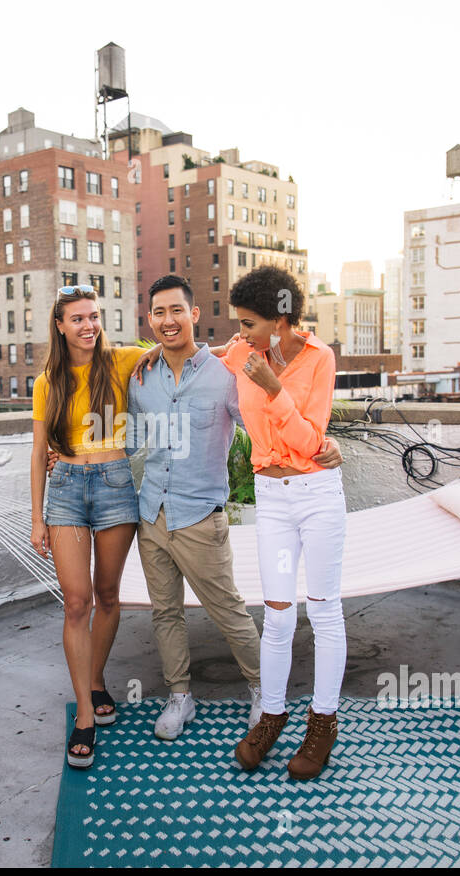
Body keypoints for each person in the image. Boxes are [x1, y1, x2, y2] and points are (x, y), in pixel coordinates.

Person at [127, 275, 343, 741]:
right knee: (164, 612)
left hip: (203, 514)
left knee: (229, 610)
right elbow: (125, 438)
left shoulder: (227, 373)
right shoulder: (142, 378)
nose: (168, 321)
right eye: (159, 313)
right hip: (152, 514)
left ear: (194, 315)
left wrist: (324, 441)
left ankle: (263, 696)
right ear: (150, 320)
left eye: (177, 311)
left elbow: (274, 423)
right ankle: (179, 695)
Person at [217, 266, 346, 780]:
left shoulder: (320, 358)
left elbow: (311, 441)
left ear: (281, 318)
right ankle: (272, 716)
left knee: (324, 610)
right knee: (276, 615)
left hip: (316, 496)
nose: (242, 334)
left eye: (250, 324)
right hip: (271, 497)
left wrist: (274, 390)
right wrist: (151, 357)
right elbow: (202, 359)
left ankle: (323, 724)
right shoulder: (243, 354)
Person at [30, 285, 150, 769]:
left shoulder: (120, 361)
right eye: (76, 319)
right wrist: (36, 516)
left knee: (107, 595)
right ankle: (84, 711)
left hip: (115, 483)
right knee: (75, 601)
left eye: (93, 317)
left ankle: (96, 678)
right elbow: (39, 452)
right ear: (60, 325)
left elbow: (175, 349)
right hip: (64, 489)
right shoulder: (47, 380)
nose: (87, 326)